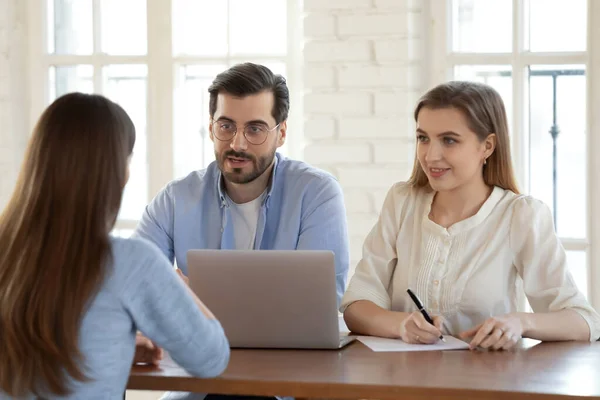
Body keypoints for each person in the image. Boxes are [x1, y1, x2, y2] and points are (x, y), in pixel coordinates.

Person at [134, 62, 349, 400]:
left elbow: (318, 306)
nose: (238, 144)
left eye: (255, 129)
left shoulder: (317, 192)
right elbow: (136, 287)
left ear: (281, 133)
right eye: (226, 126)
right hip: (198, 385)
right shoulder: (176, 198)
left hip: (283, 385)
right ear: (210, 128)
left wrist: (184, 298)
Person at [0, 93, 230, 399]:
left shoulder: (8, 255)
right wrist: (176, 280)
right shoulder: (128, 262)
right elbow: (211, 358)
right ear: (116, 172)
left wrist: (111, 342)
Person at [340, 81, 600, 350]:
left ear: (487, 146)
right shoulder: (402, 202)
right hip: (400, 381)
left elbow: (584, 320)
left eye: (449, 140)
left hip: (486, 384)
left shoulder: (520, 215)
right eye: (423, 138)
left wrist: (520, 322)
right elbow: (356, 304)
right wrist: (401, 324)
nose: (430, 155)